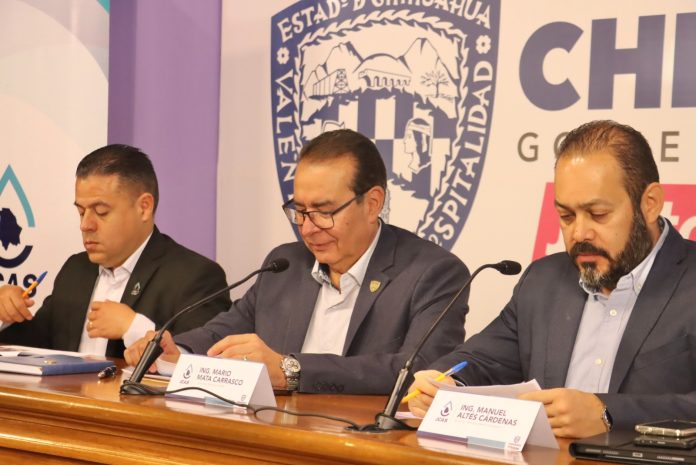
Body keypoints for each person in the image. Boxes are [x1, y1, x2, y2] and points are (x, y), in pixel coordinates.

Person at [407, 120, 696, 438]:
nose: (579, 233)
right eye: (566, 216)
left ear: (650, 203)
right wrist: (444, 381)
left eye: (598, 214)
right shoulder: (543, 281)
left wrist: (608, 413)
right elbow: (478, 360)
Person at [125, 129, 469, 394]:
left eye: (324, 211)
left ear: (373, 203)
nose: (307, 227)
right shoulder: (285, 264)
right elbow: (224, 330)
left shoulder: (433, 273)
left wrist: (292, 370)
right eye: (300, 210)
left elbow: (419, 371)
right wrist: (177, 349)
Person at [0, 144, 230, 357]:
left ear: (144, 207)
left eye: (101, 212)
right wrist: (6, 315)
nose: (85, 225)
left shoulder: (195, 277)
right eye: (81, 212)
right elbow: (34, 350)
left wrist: (133, 327)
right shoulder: (76, 269)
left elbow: (201, 362)